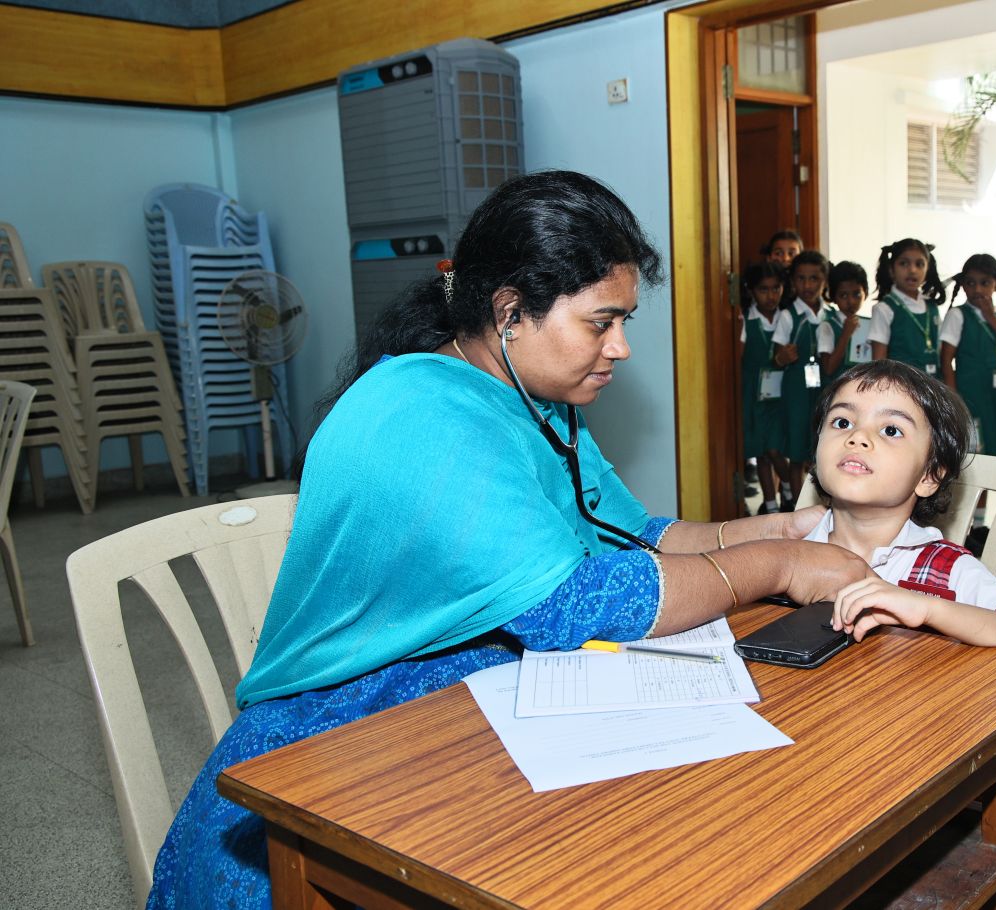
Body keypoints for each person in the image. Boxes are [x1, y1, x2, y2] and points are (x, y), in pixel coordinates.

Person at [145, 171, 871, 907]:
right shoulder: (427, 413)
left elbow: (632, 534)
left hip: (463, 689)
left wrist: (775, 527)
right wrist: (778, 564)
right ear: (511, 312)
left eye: (623, 322)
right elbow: (570, 607)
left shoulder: (536, 398)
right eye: (600, 323)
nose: (620, 348)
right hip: (339, 741)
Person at [805, 359, 996, 910]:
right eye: (842, 422)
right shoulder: (787, 551)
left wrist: (924, 607)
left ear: (929, 476)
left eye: (890, 429)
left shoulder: (942, 567)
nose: (858, 436)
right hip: (814, 762)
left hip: (921, 773)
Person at [940, 254, 996, 458]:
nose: (977, 289)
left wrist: (990, 317)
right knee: (977, 444)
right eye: (970, 283)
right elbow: (946, 360)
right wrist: (954, 399)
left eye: (985, 283)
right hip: (970, 389)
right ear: (963, 285)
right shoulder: (958, 314)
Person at [771, 249, 828, 510]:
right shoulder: (787, 316)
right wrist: (782, 356)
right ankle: (798, 509)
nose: (808, 285)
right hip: (796, 390)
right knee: (796, 452)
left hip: (824, 387)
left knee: (821, 449)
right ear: (793, 282)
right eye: (801, 278)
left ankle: (822, 507)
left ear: (824, 281)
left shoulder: (830, 314)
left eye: (814, 278)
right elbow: (776, 358)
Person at [739, 261, 790, 515]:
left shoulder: (788, 318)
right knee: (761, 452)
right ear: (751, 291)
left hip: (783, 394)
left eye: (775, 288)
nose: (770, 295)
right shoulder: (745, 320)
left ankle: (789, 488)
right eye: (763, 289)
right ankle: (771, 506)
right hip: (755, 395)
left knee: (776, 449)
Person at [868, 238, 946, 378]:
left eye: (919, 264)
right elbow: (879, 362)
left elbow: (940, 352)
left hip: (933, 383)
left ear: (927, 269)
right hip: (901, 385)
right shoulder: (884, 308)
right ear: (891, 269)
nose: (912, 270)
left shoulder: (932, 306)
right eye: (904, 263)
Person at [817, 260, 873, 381]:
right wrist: (846, 334)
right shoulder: (827, 326)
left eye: (856, 294)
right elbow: (828, 368)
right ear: (833, 297)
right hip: (835, 389)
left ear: (865, 293)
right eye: (843, 295)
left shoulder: (868, 324)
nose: (851, 301)